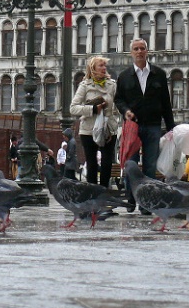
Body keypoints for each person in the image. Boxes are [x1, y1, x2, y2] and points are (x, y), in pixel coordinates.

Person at [115, 38, 176, 215]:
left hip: (153, 124)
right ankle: (131, 198)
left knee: (150, 165)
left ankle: (147, 202)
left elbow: (166, 102)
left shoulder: (159, 74)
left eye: (142, 48)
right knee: (131, 164)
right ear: (131, 53)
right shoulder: (124, 76)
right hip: (132, 125)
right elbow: (118, 99)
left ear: (147, 51)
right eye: (136, 49)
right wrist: (125, 111)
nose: (139, 51)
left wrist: (171, 126)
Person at [70, 55, 119, 188]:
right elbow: (73, 108)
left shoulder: (112, 85)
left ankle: (104, 192)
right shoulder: (85, 85)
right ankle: (92, 195)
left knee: (107, 162)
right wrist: (92, 109)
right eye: (101, 66)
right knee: (91, 163)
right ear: (93, 69)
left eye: (105, 66)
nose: (104, 68)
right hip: (88, 130)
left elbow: (119, 104)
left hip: (108, 129)